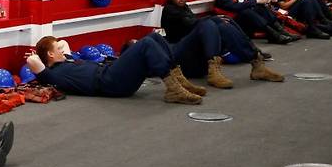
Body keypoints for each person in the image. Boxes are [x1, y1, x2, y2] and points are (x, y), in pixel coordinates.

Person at [25, 33, 207, 105]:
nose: (62, 50)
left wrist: (55, 47)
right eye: (57, 50)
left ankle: (178, 79)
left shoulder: (67, 60)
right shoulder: (53, 75)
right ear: (50, 55)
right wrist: (36, 54)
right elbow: (34, 61)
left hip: (111, 71)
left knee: (154, 37)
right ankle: (173, 89)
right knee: (145, 44)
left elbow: (63, 43)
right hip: (109, 81)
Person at [161, 0, 284, 88]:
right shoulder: (169, 10)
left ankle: (257, 63)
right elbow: (191, 23)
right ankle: (213, 68)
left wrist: (217, 19)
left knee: (224, 23)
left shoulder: (185, 8)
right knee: (210, 23)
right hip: (180, 58)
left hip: (195, 58)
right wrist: (213, 18)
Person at [214, 0, 298, 45]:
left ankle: (280, 32)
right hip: (233, 25)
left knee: (260, 7)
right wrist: (256, 1)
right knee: (246, 12)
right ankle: (274, 35)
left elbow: (246, 0)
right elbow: (235, 7)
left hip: (243, 23)